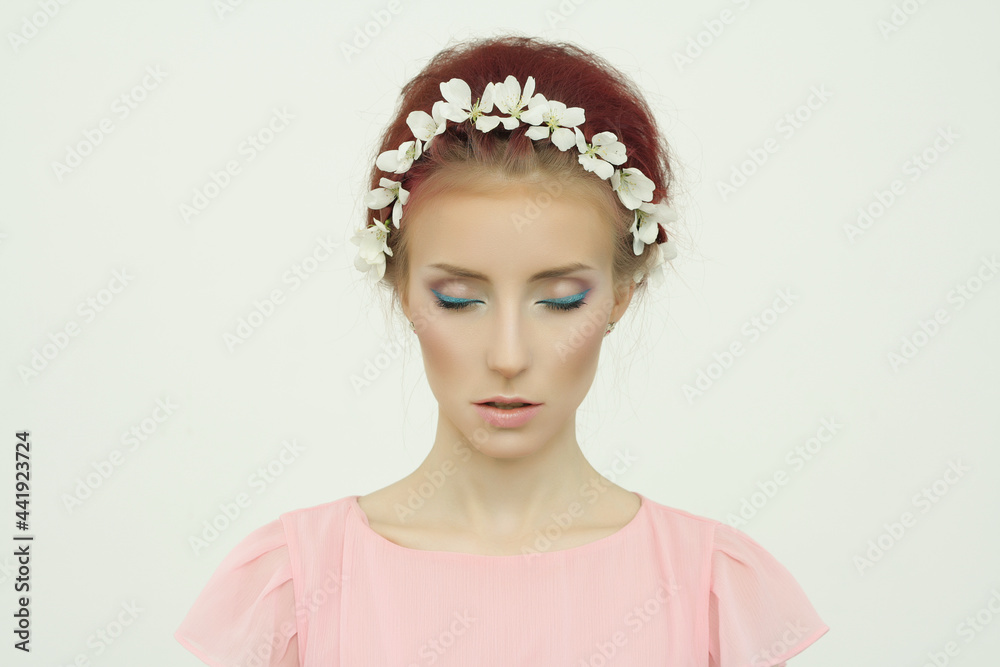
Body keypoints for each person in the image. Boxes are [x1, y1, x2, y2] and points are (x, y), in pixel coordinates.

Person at [175, 34, 829, 666]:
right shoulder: (294, 590)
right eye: (460, 299)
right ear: (402, 287)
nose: (509, 354)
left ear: (622, 293)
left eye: (561, 299)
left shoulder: (713, 595)